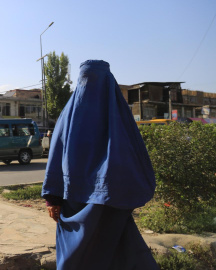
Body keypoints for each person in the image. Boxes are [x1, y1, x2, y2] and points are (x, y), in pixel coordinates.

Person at [41, 60, 158, 270]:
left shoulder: (116, 118)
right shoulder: (70, 117)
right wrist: (52, 198)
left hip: (109, 203)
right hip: (84, 202)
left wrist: (52, 197)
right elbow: (56, 155)